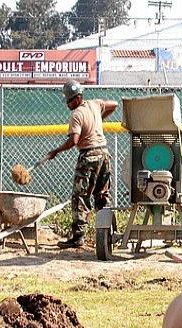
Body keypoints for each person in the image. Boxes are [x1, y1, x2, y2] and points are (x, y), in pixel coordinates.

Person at [46, 79, 118, 249]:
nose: (68, 104)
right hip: (104, 155)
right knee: (102, 196)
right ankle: (110, 234)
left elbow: (74, 140)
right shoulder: (95, 104)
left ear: (77, 98)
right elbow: (114, 104)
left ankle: (78, 237)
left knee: (80, 198)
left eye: (69, 100)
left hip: (89, 156)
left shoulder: (76, 114)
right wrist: (99, 118)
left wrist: (56, 151)